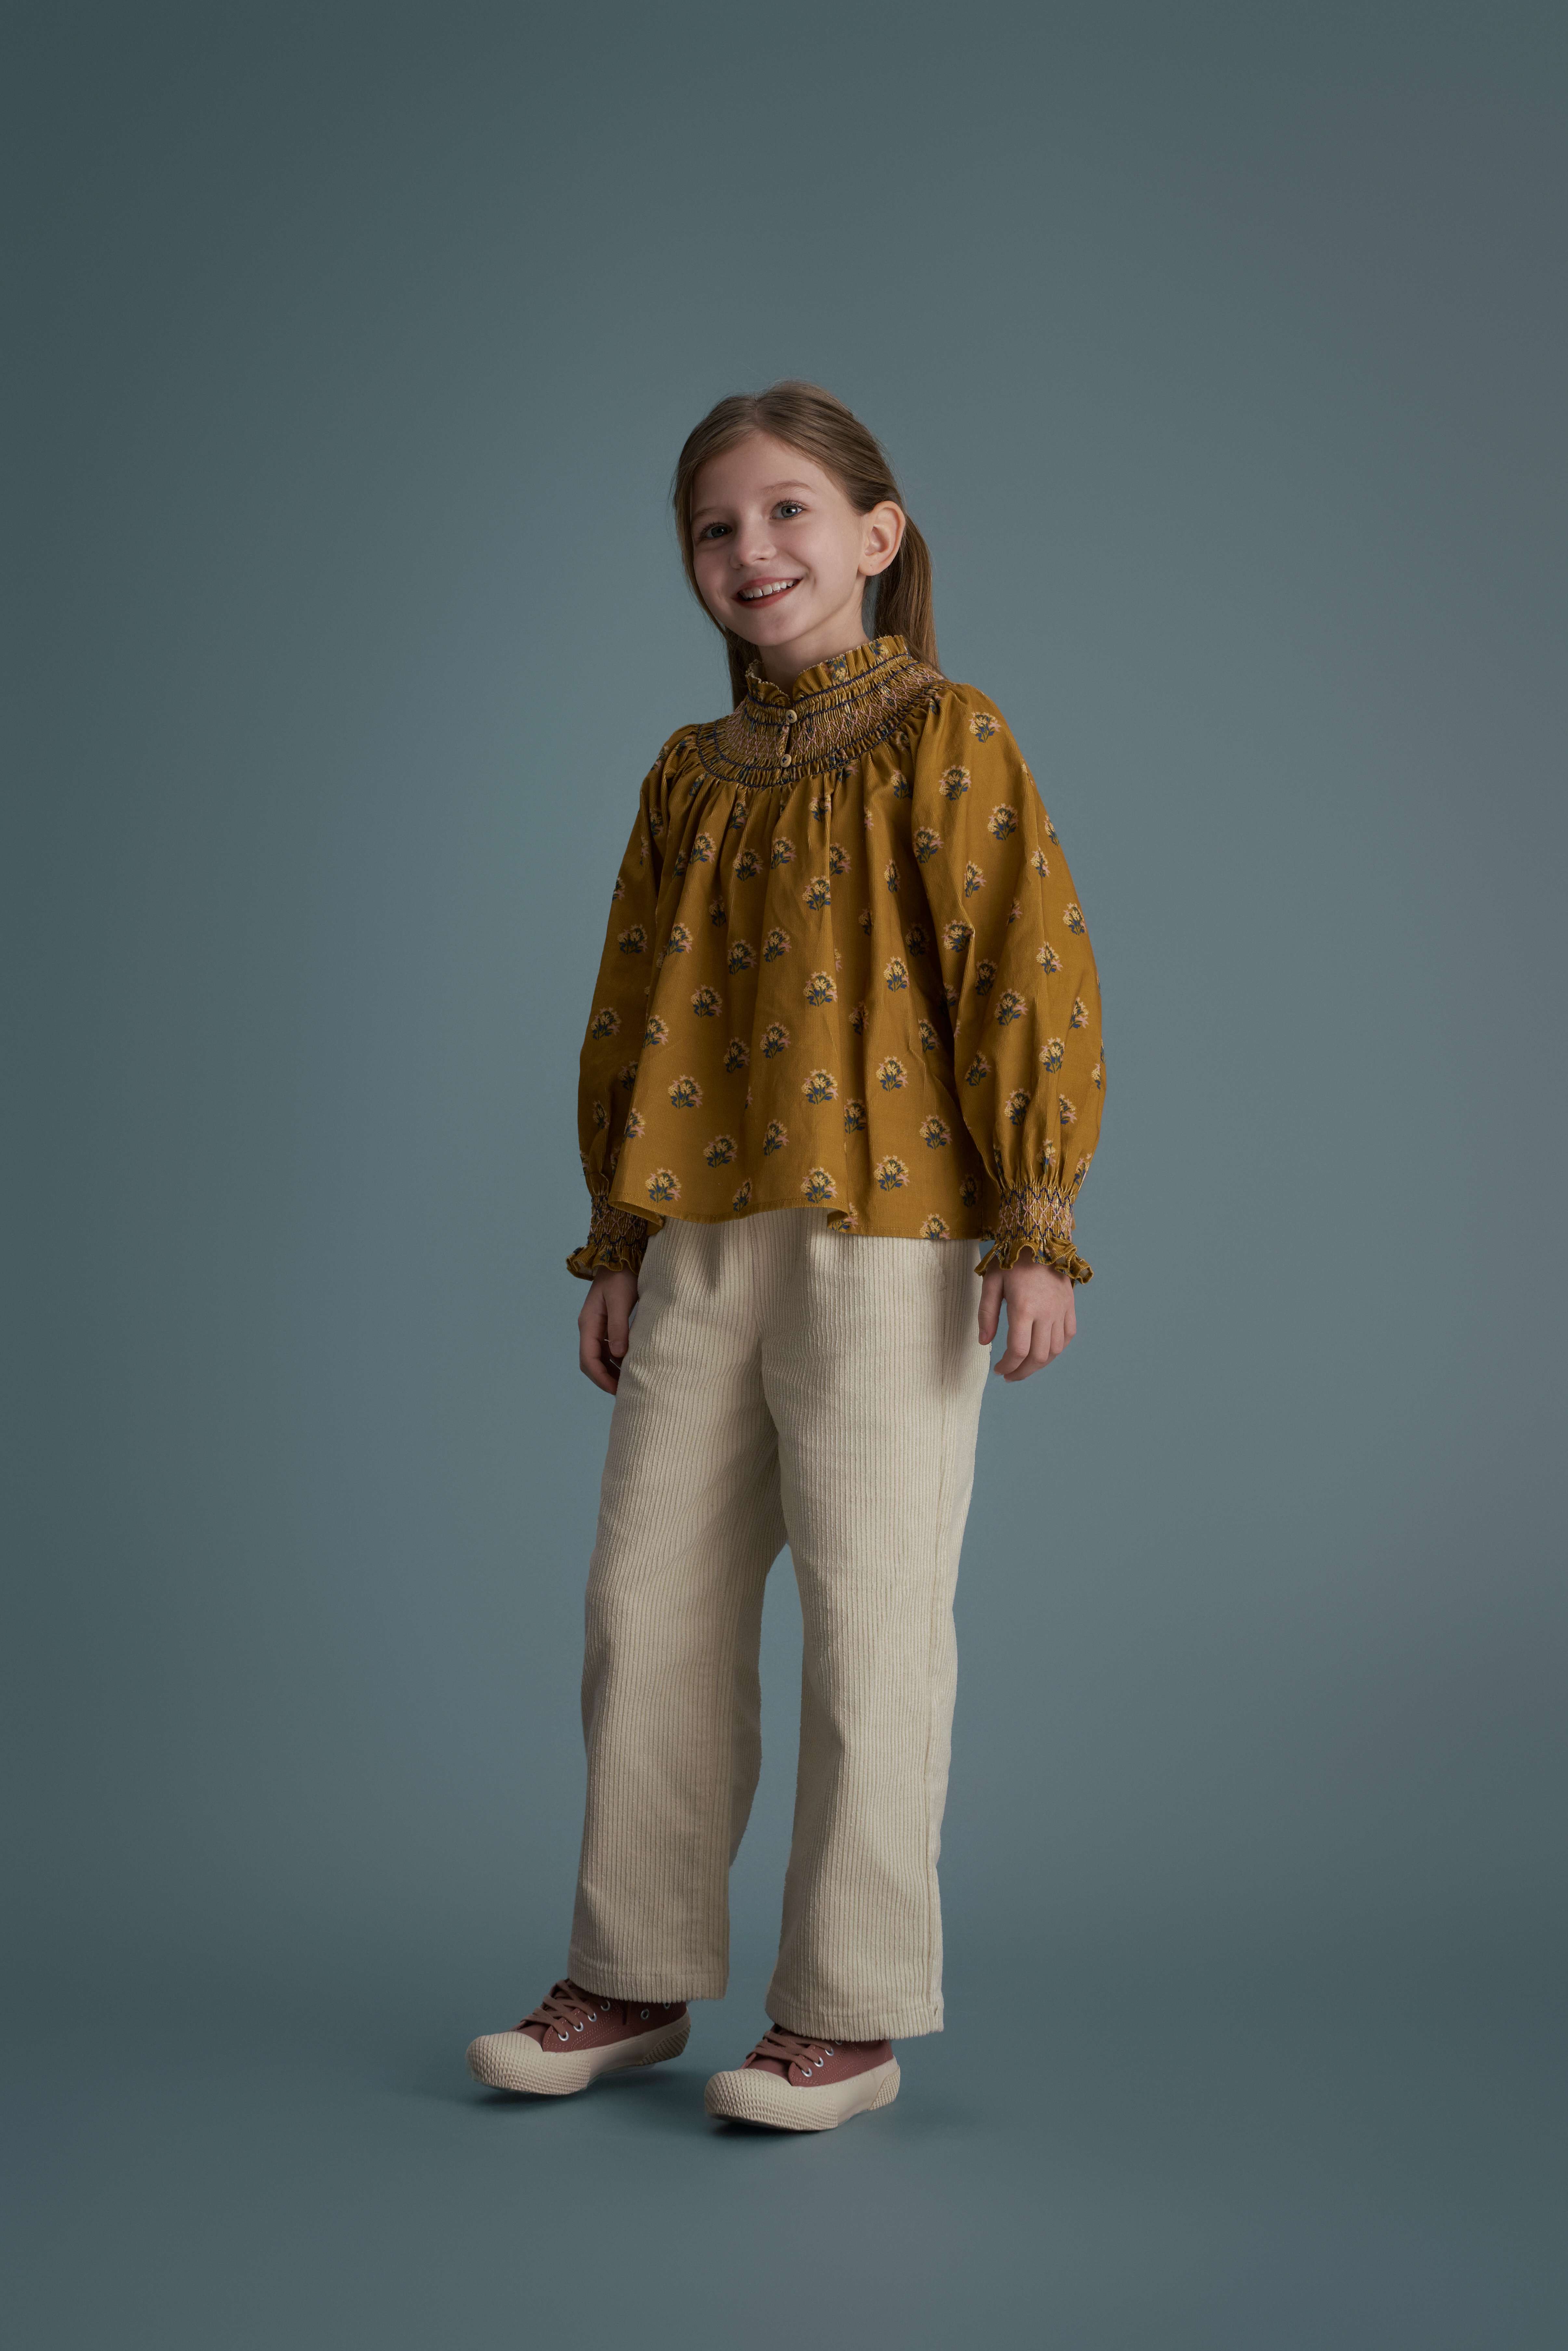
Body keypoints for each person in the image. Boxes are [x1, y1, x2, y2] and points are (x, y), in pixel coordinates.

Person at [466, 381, 1106, 2132]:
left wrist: (1037, 1223)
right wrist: (618, 1235)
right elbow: (632, 1000)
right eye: (715, 526)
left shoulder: (948, 733)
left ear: (877, 536)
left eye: (788, 511)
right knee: (644, 1607)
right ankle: (631, 1971)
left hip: (893, 1234)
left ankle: (847, 2013)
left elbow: (1024, 970)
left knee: (870, 1622)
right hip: (699, 1232)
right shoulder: (690, 774)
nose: (752, 549)